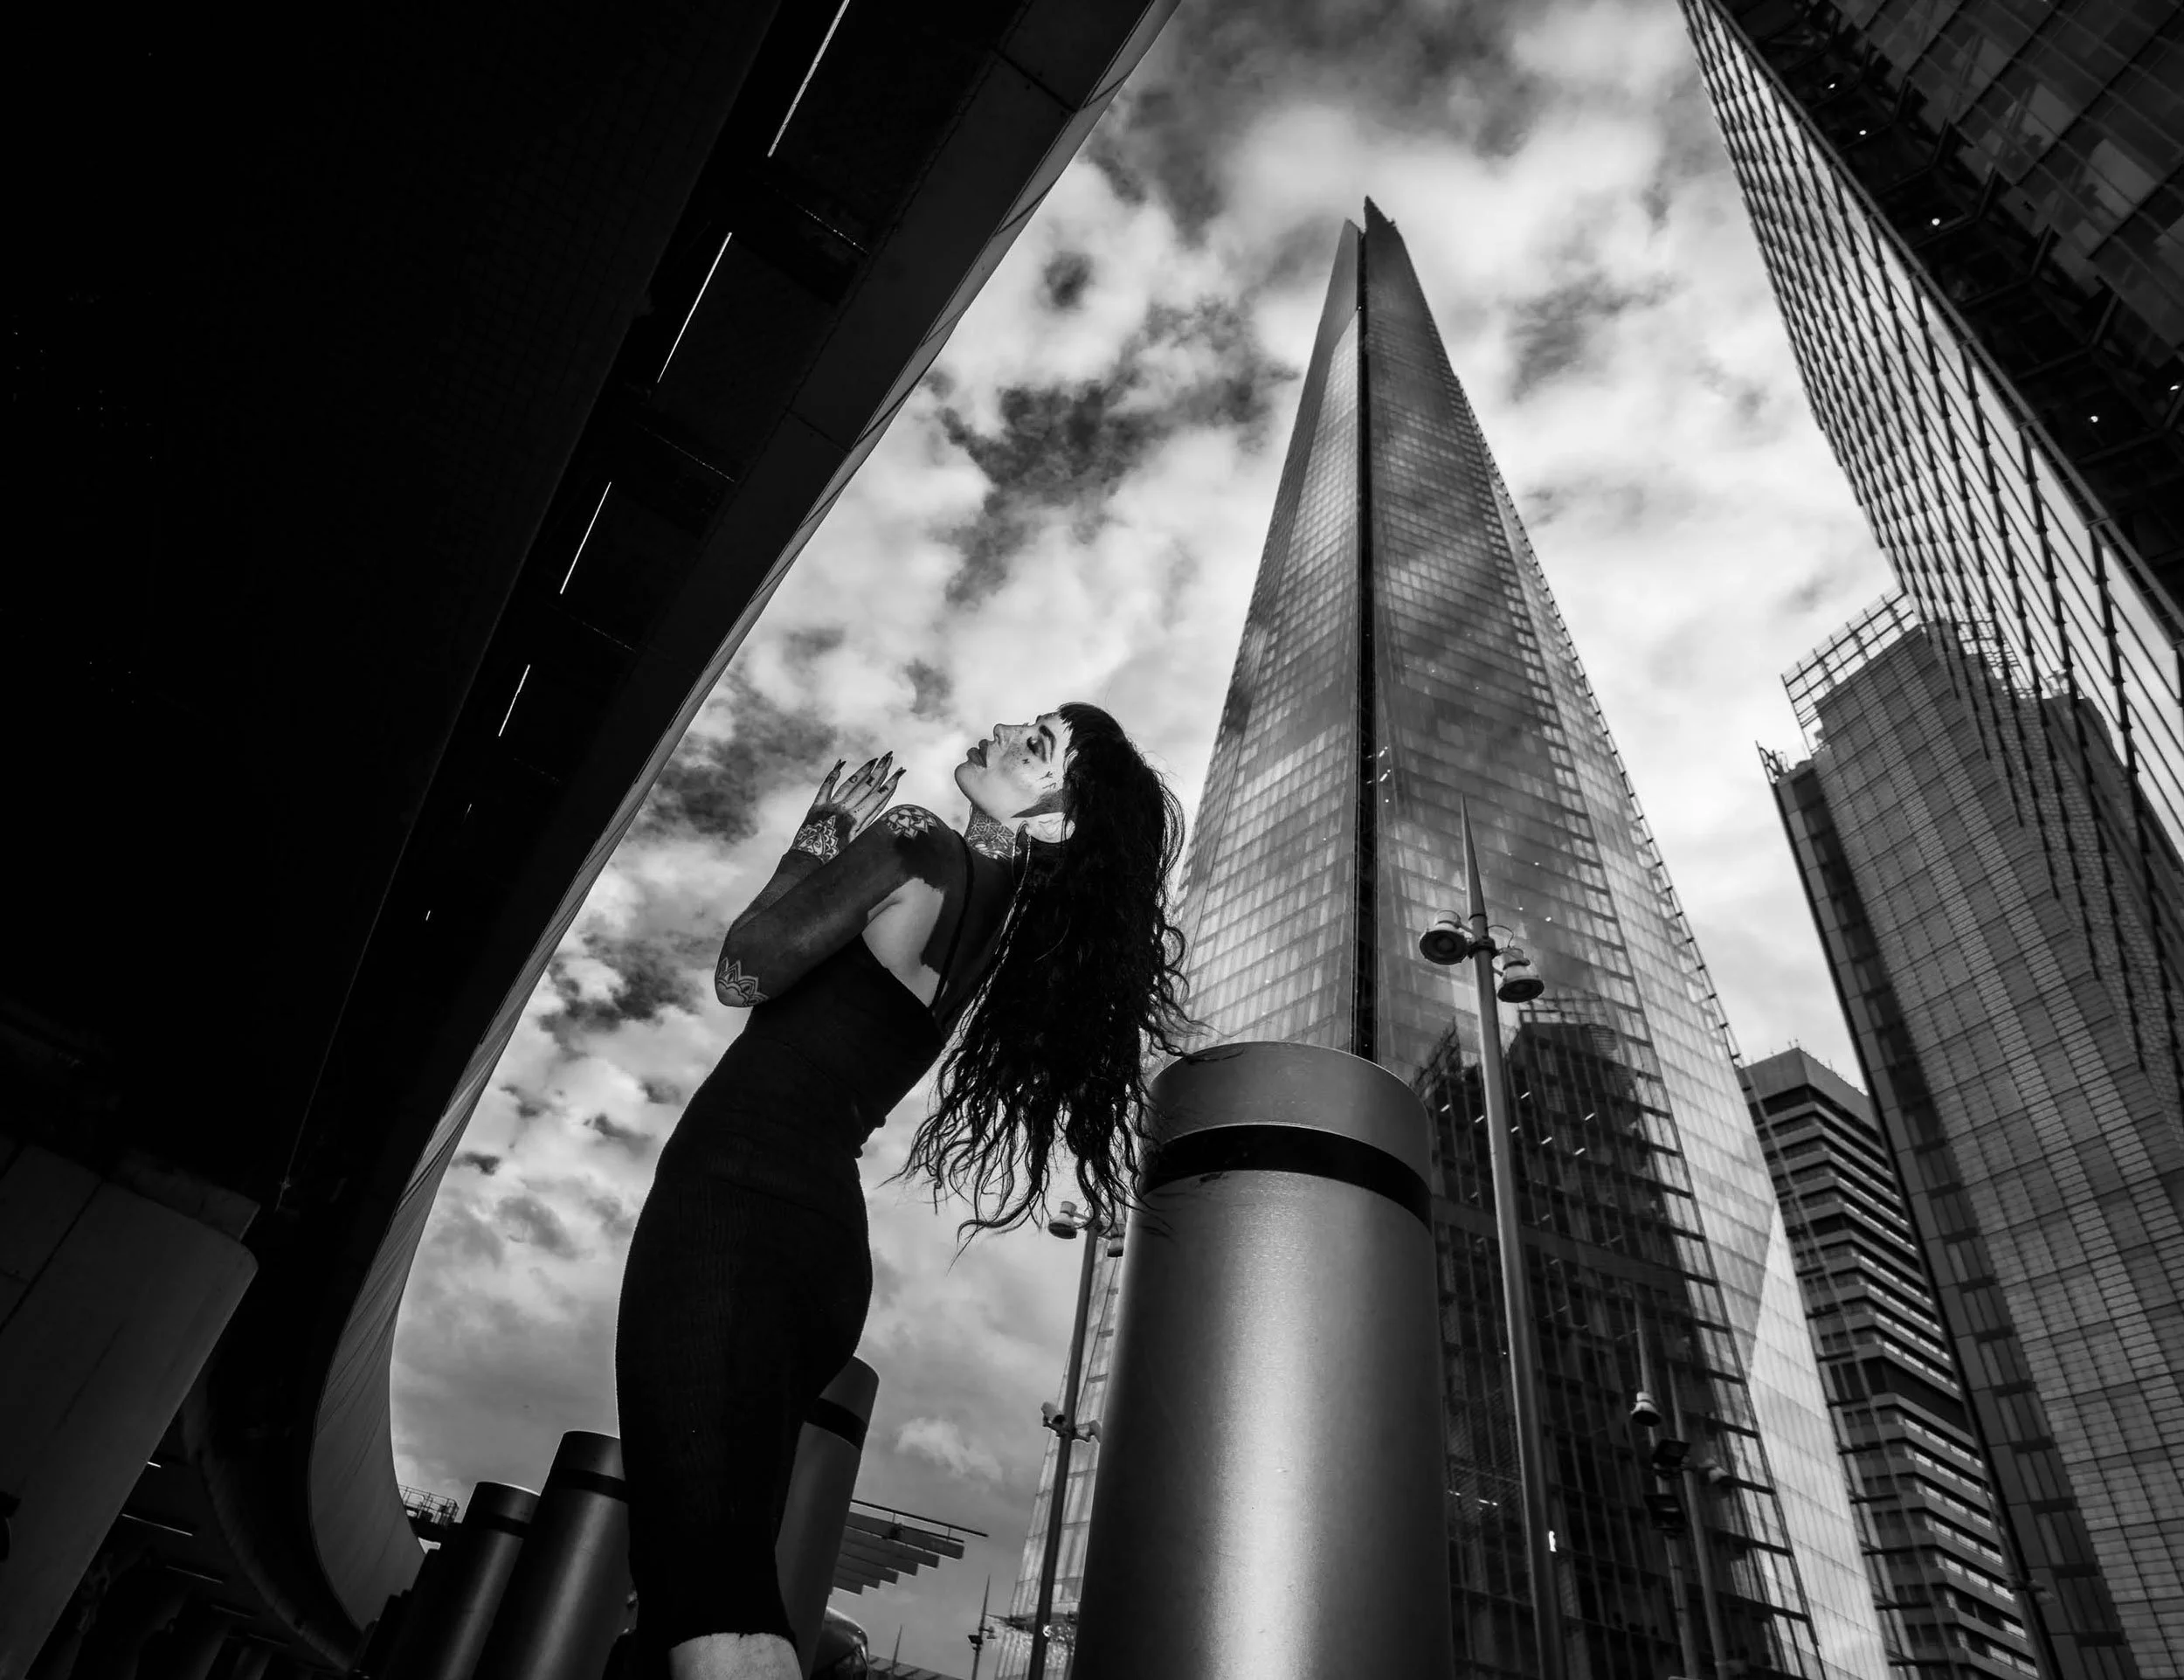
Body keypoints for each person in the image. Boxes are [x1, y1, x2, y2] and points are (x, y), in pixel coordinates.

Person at [616, 703, 1192, 1680]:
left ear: (1057, 810)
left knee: (709, 1599)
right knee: (685, 1594)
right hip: (817, 1252)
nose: (1006, 731)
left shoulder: (917, 843)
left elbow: (743, 968)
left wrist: (818, 838)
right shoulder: (1006, 935)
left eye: (1036, 746)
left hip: (734, 1203)